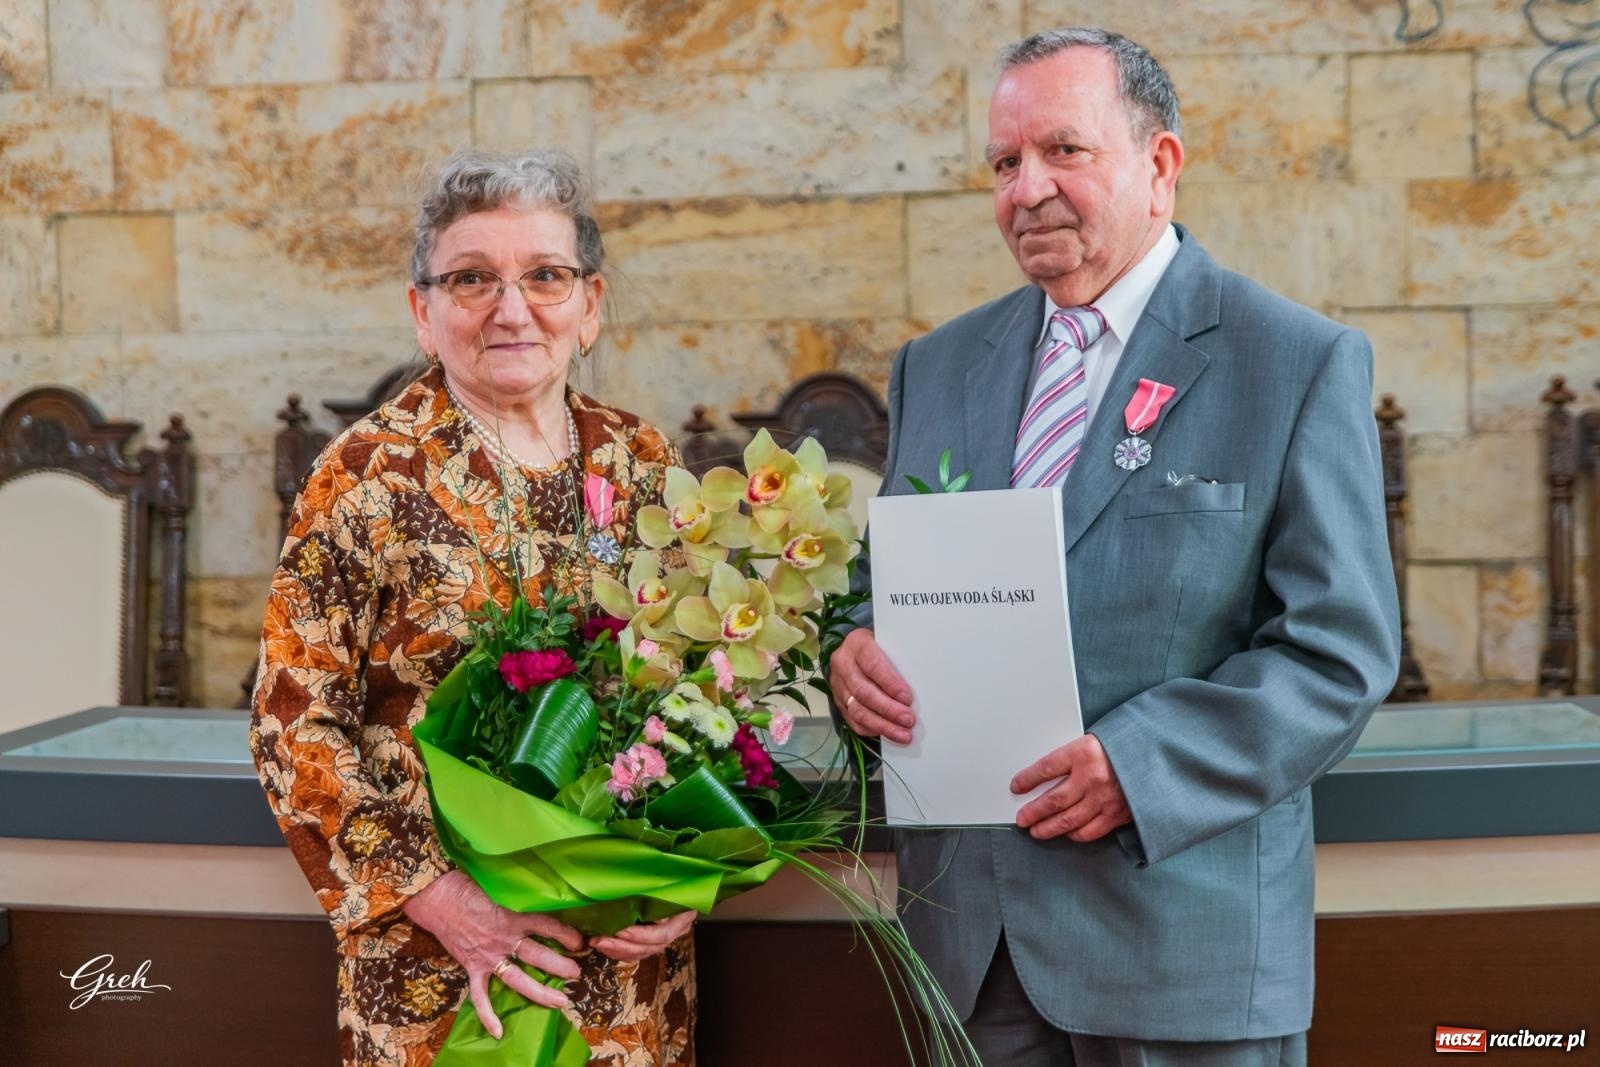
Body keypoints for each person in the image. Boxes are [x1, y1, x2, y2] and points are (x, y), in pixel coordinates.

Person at [828, 28, 1400, 1067]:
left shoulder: (1293, 360)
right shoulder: (937, 365)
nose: (1026, 188)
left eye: (1064, 151)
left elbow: (1337, 651)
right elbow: (881, 587)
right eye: (1005, 163)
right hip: (970, 958)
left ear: (1160, 165)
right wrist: (854, 649)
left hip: (1179, 953)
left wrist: (1136, 765)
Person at [251, 148, 696, 1067]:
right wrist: (445, 900)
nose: (512, 306)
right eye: (471, 279)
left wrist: (690, 869)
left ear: (592, 304)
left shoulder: (642, 462)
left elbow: (701, 689)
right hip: (443, 964)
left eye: (545, 275)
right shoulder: (365, 475)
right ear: (424, 311)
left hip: (627, 965)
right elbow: (291, 727)